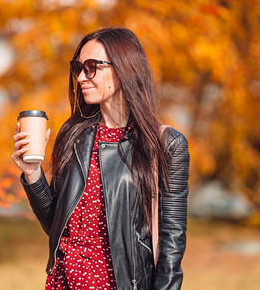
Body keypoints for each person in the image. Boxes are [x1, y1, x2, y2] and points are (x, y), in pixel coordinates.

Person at [12, 27, 190, 290]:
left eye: (92, 67)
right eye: (78, 67)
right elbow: (57, 226)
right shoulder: (74, 135)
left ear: (123, 68)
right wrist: (32, 173)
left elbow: (171, 247)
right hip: (64, 283)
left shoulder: (165, 145)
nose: (82, 77)